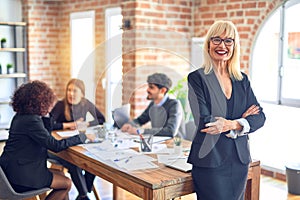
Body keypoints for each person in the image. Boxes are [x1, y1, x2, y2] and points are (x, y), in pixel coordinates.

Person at [187, 20, 266, 200]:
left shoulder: (242, 80)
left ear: (234, 46)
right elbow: (204, 121)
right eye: (217, 40)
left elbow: (260, 117)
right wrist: (242, 122)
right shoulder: (197, 78)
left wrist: (232, 123)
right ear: (208, 45)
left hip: (239, 161)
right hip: (210, 161)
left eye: (228, 41)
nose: (222, 45)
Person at [0, 80, 94, 200]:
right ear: (41, 101)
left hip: (10, 171)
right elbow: (55, 145)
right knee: (66, 184)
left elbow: (45, 131)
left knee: (61, 175)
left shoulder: (20, 116)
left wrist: (46, 114)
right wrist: (82, 137)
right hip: (22, 177)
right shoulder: (31, 120)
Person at [50, 78, 105, 200]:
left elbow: (101, 119)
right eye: (69, 90)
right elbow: (49, 124)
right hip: (62, 146)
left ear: (82, 93)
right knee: (74, 162)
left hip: (78, 141)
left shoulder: (86, 103)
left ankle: (84, 190)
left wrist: (86, 124)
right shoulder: (60, 105)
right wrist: (68, 125)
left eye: (75, 91)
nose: (71, 94)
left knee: (94, 159)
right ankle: (84, 194)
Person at [121, 73, 183, 137]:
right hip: (159, 143)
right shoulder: (153, 104)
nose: (147, 90)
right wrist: (129, 124)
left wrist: (142, 131)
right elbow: (140, 120)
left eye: (151, 87)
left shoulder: (174, 105)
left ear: (162, 90)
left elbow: (170, 131)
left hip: (176, 144)